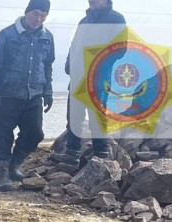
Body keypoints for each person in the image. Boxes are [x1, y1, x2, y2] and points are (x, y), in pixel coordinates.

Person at [0, 0, 56, 192]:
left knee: (35, 133)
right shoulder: (7, 35)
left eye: (43, 15)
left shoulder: (47, 37)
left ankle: (13, 165)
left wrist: (48, 91)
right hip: (7, 94)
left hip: (33, 95)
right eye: (35, 14)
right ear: (27, 12)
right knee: (2, 135)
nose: (38, 19)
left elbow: (47, 66)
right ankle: (1, 175)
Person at [51, 0, 127, 166]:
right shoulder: (83, 21)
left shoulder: (116, 19)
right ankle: (71, 153)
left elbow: (121, 49)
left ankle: (101, 153)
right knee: (74, 116)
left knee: (97, 117)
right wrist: (69, 64)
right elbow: (74, 44)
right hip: (77, 77)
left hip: (99, 78)